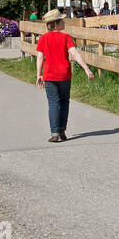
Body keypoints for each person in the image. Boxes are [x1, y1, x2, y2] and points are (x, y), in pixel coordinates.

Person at [35, 8, 93, 142]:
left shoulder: (43, 38)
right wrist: (86, 69)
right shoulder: (66, 37)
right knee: (64, 102)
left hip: (50, 75)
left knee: (53, 103)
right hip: (64, 75)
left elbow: (40, 57)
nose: (64, 22)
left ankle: (54, 133)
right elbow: (74, 53)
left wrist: (39, 75)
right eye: (62, 20)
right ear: (56, 24)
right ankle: (62, 129)